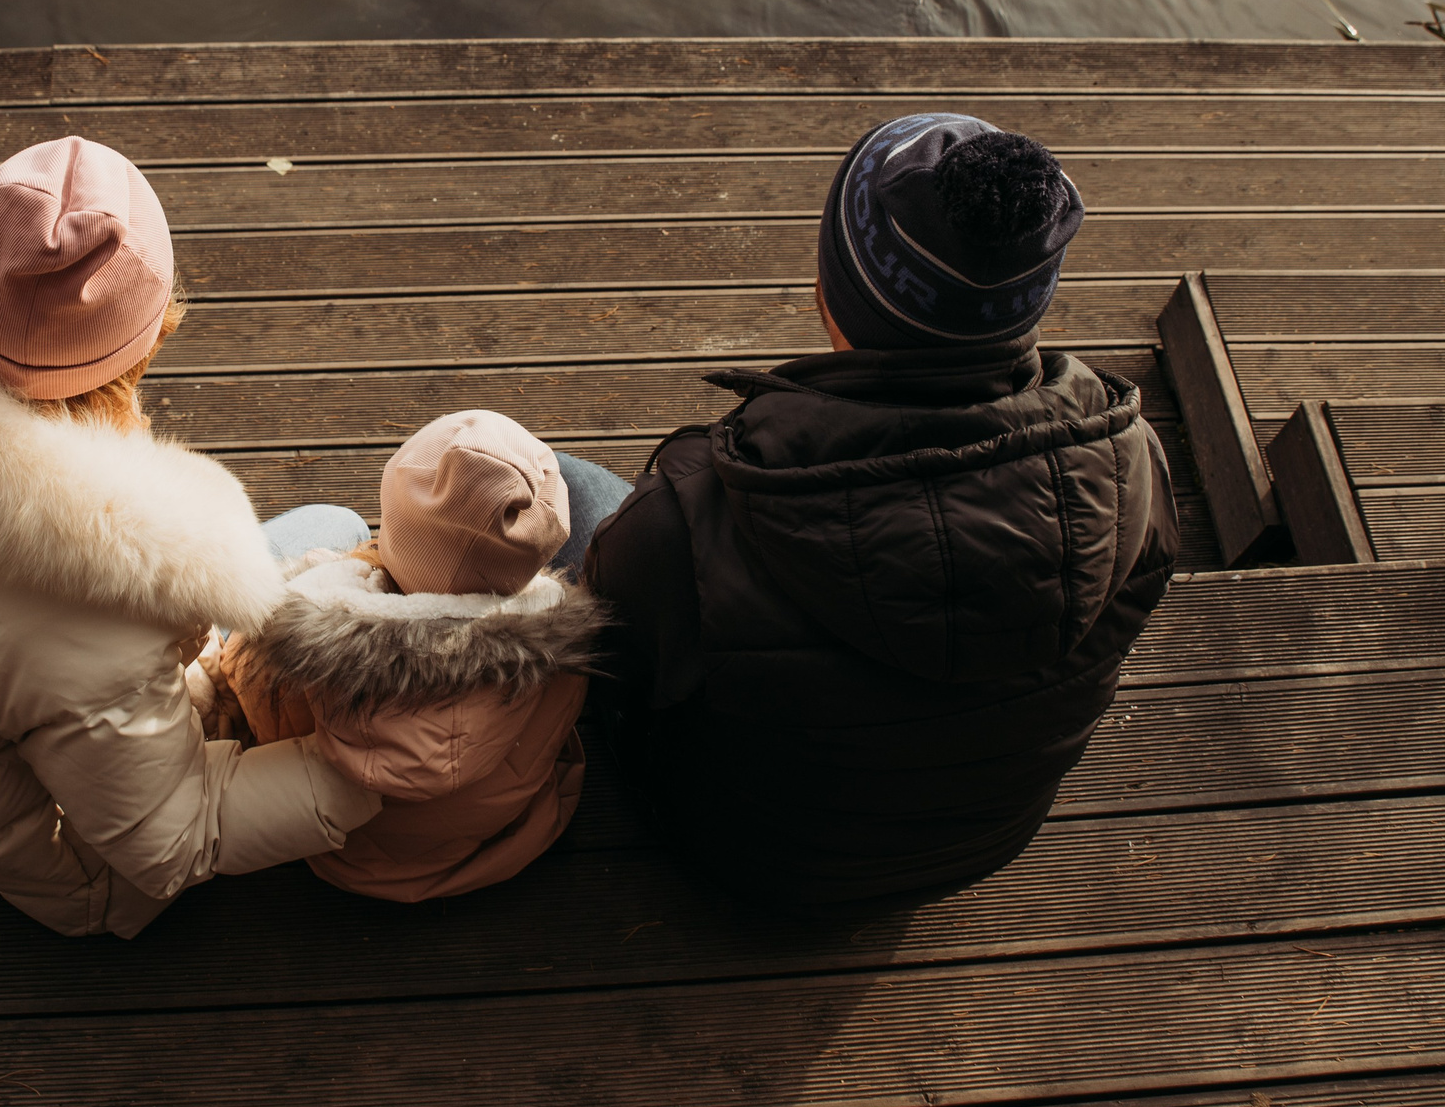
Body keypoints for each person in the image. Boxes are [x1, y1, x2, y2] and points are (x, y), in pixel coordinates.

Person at [0, 137, 383, 938]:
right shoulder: (99, 613)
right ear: (140, 343)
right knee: (337, 532)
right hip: (71, 868)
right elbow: (173, 840)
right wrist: (367, 773)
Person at [583, 113, 1178, 907]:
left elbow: (609, 670)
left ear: (832, 291)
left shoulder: (691, 517)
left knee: (563, 485)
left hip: (751, 860)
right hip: (982, 842)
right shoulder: (1136, 465)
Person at [200, 410, 606, 902]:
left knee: (335, 524)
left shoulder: (307, 653)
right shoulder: (560, 650)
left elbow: (246, 689)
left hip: (347, 855)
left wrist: (323, 581)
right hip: (496, 843)